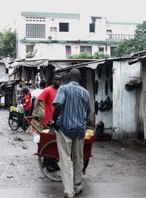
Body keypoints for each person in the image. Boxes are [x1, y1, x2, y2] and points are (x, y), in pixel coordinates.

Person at [52, 69, 91, 198]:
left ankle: (69, 192)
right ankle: (77, 187)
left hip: (65, 129)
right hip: (80, 130)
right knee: (79, 159)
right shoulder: (85, 92)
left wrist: (54, 120)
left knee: (65, 160)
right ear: (79, 79)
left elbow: (58, 105)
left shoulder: (63, 89)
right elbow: (88, 111)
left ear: (69, 77)